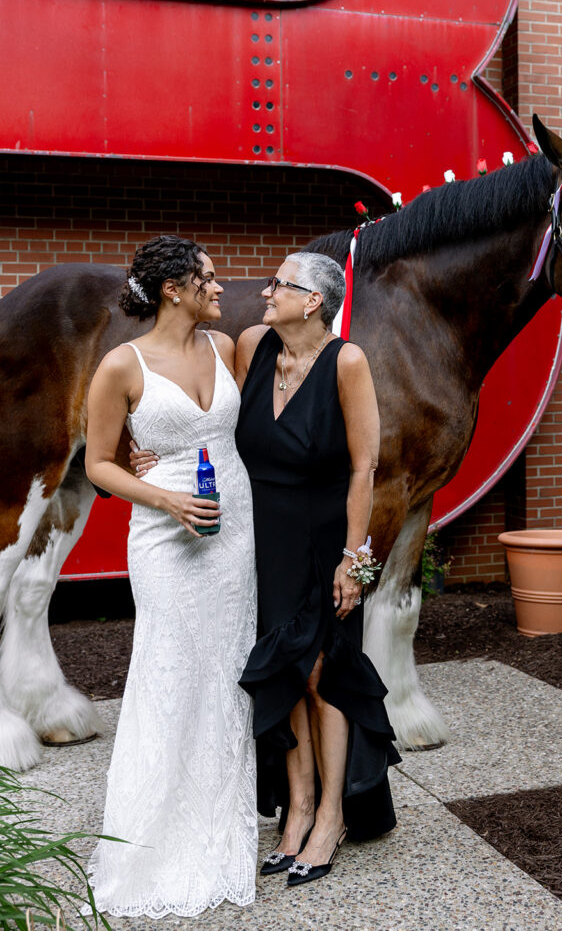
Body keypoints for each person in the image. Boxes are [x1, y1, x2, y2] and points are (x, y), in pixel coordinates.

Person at [84, 235, 258, 917]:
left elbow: (255, 431)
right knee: (168, 669)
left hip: (233, 529)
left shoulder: (228, 350)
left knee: (224, 670)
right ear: (173, 291)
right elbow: (100, 464)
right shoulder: (119, 368)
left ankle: (217, 819)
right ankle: (150, 840)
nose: (221, 288)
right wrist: (162, 496)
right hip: (164, 534)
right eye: (208, 279)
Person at [234, 252, 400, 886]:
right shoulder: (252, 346)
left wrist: (354, 562)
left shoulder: (347, 361)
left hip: (327, 537)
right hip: (265, 541)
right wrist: (141, 451)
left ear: (313, 301)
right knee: (286, 671)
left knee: (324, 674)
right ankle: (296, 808)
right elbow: (200, 408)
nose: (268, 290)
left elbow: (365, 468)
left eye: (282, 284)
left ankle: (330, 815)